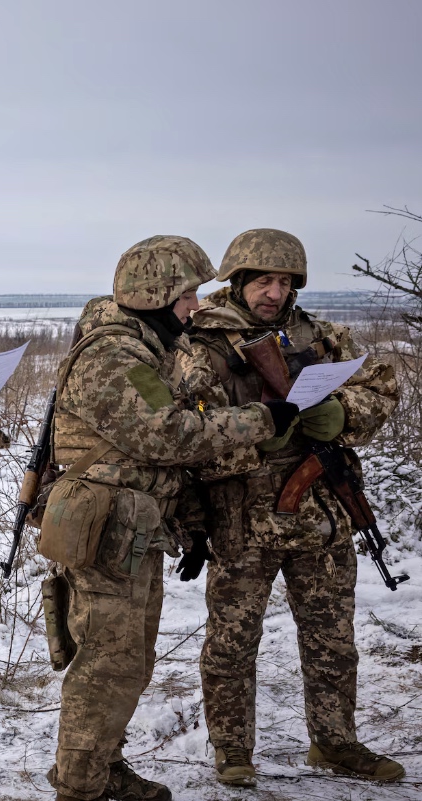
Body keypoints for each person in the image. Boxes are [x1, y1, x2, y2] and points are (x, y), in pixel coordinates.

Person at [43, 235, 294, 801]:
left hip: (131, 525)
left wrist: (191, 521)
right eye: (187, 294)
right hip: (105, 527)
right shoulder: (115, 355)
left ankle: (102, 767)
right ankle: (81, 785)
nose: (195, 306)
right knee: (108, 663)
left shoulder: (145, 345)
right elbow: (163, 434)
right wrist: (260, 421)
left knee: (130, 659)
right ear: (157, 294)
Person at [184, 228, 404, 788]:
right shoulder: (202, 342)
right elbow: (183, 427)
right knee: (232, 643)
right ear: (237, 281)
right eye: (263, 280)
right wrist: (256, 431)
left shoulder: (320, 336)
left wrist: (343, 413)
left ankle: (334, 743)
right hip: (243, 521)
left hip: (320, 515)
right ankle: (232, 751)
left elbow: (380, 386)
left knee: (333, 639)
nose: (274, 292)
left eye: (284, 282)